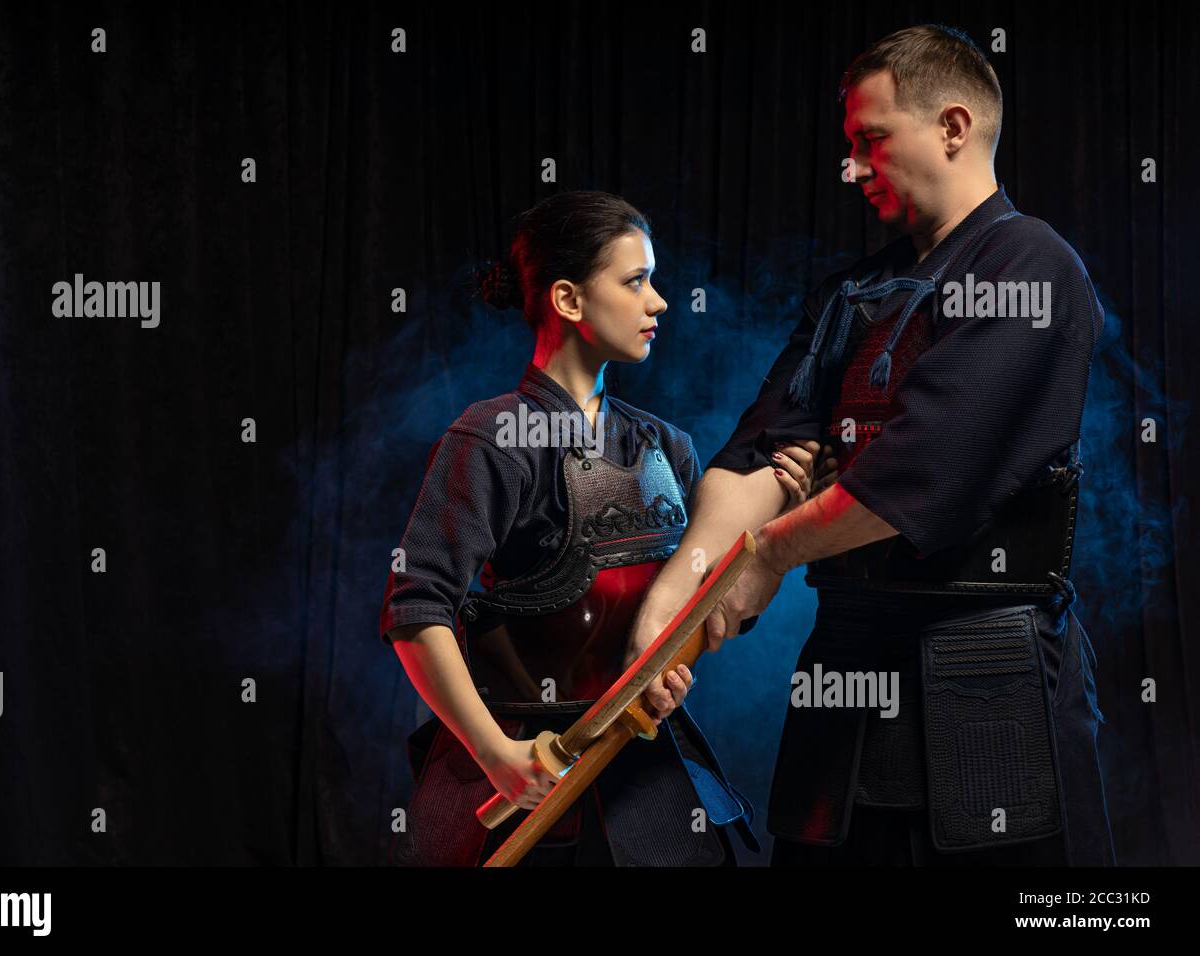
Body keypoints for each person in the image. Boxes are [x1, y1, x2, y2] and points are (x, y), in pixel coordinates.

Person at [626, 25, 1115, 866]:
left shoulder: (1030, 267)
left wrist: (773, 550)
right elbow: (758, 451)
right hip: (847, 674)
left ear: (954, 128)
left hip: (985, 674)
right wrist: (675, 602)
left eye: (870, 140)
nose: (851, 167)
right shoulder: (849, 294)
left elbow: (923, 469)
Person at [379, 190, 826, 866]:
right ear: (567, 299)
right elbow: (415, 611)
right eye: (635, 281)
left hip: (644, 775)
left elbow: (703, 611)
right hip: (525, 777)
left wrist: (788, 525)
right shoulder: (491, 439)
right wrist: (495, 752)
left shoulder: (665, 445)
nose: (659, 302)